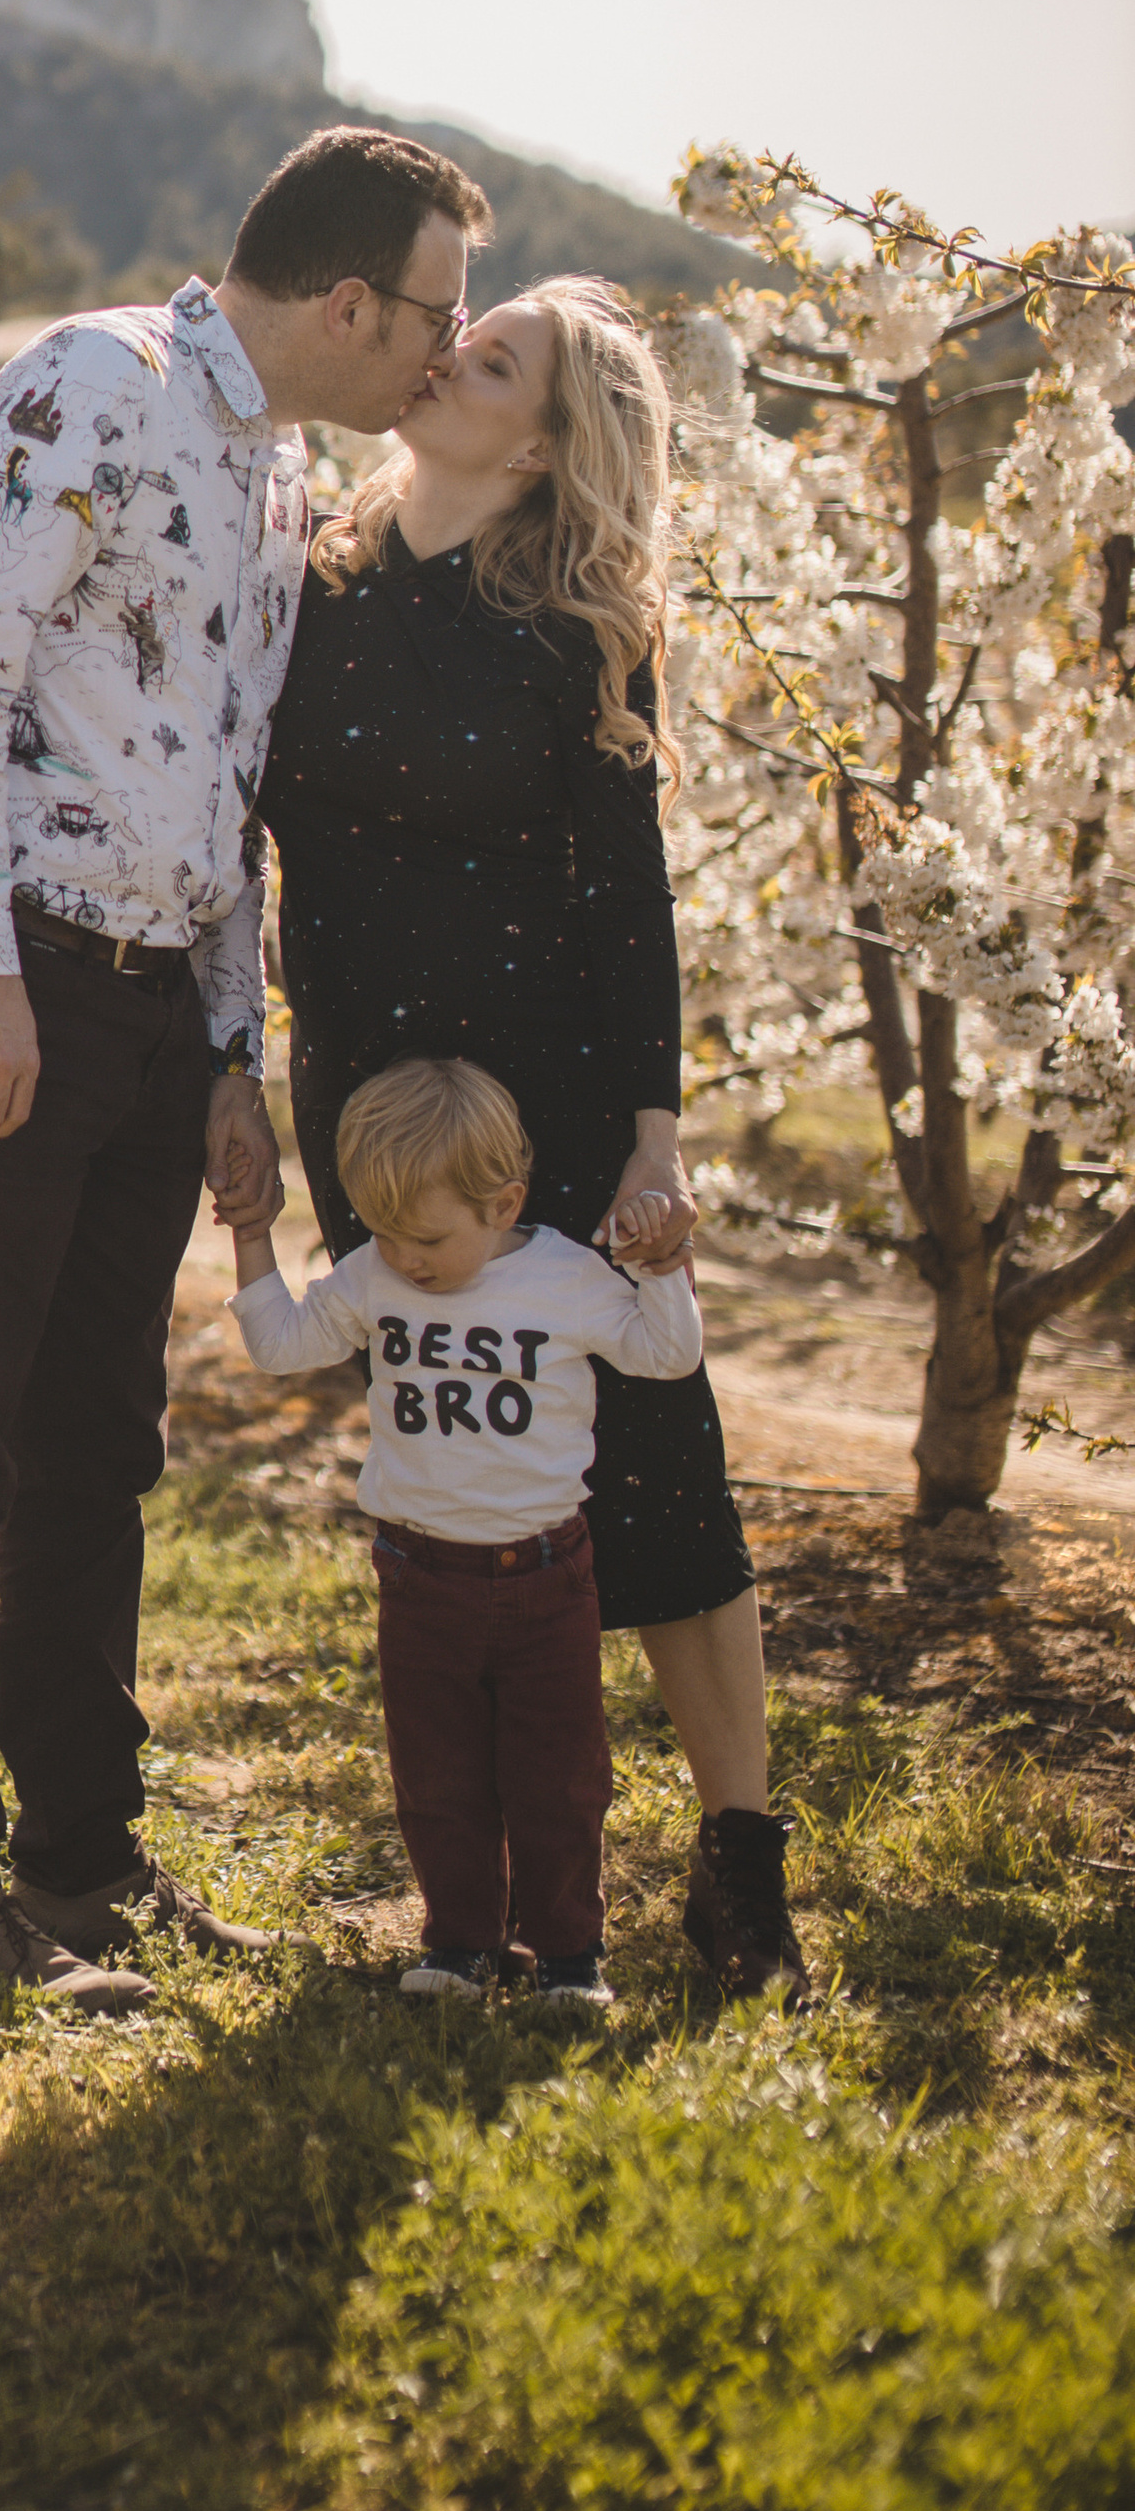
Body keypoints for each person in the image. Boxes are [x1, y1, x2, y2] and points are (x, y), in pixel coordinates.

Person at [0, 125, 492, 2010]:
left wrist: (226, 1046)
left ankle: (88, 1868)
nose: (441, 359)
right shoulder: (90, 385)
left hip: (138, 1012)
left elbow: (226, 783)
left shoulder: (277, 477)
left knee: (95, 1455)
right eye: (433, 317)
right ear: (351, 298)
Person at [256, 271, 809, 2006]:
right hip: (373, 1105)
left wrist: (652, 1142)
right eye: (459, 335)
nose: (446, 357)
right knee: (461, 1471)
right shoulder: (310, 589)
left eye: (491, 361)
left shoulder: (583, 624)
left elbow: (631, 907)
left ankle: (740, 1864)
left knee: (652, 1485)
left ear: (550, 440)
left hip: (554, 1115)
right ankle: (484, 1901)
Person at [228, 1056, 702, 2005]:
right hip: (421, 1578)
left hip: (545, 1578)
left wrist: (659, 1267)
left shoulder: (566, 1276)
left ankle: (568, 1952)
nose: (406, 1258)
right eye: (384, 1234)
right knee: (438, 1778)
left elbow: (666, 1353)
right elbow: (280, 1344)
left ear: (504, 1202)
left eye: (427, 1238)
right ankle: (460, 1944)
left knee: (559, 1780)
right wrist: (250, 1231)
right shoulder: (376, 1276)